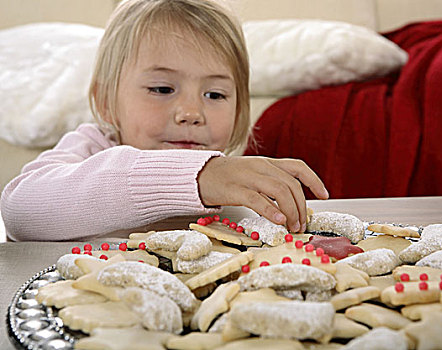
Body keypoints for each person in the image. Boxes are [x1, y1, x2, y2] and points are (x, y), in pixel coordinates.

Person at [0, 0, 328, 241]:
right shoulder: (90, 146)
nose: (191, 113)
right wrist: (195, 178)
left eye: (214, 95)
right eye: (162, 88)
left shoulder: (231, 177)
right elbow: (20, 212)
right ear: (106, 101)